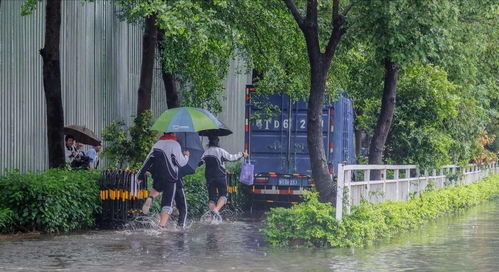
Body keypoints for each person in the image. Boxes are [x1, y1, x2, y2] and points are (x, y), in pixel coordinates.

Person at [136, 132, 190, 228]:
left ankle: (150, 198)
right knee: (167, 202)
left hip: (157, 175)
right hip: (170, 177)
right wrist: (186, 156)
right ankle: (161, 227)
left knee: (158, 188)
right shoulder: (175, 144)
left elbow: (148, 161)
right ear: (173, 133)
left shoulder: (157, 144)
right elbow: (180, 163)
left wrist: (139, 176)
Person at [200, 135, 247, 220]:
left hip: (209, 177)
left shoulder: (206, 153)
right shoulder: (220, 151)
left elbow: (199, 163)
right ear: (217, 141)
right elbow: (232, 158)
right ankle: (216, 210)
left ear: (209, 142)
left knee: (212, 198)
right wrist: (242, 154)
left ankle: (212, 218)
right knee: (224, 195)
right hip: (220, 176)